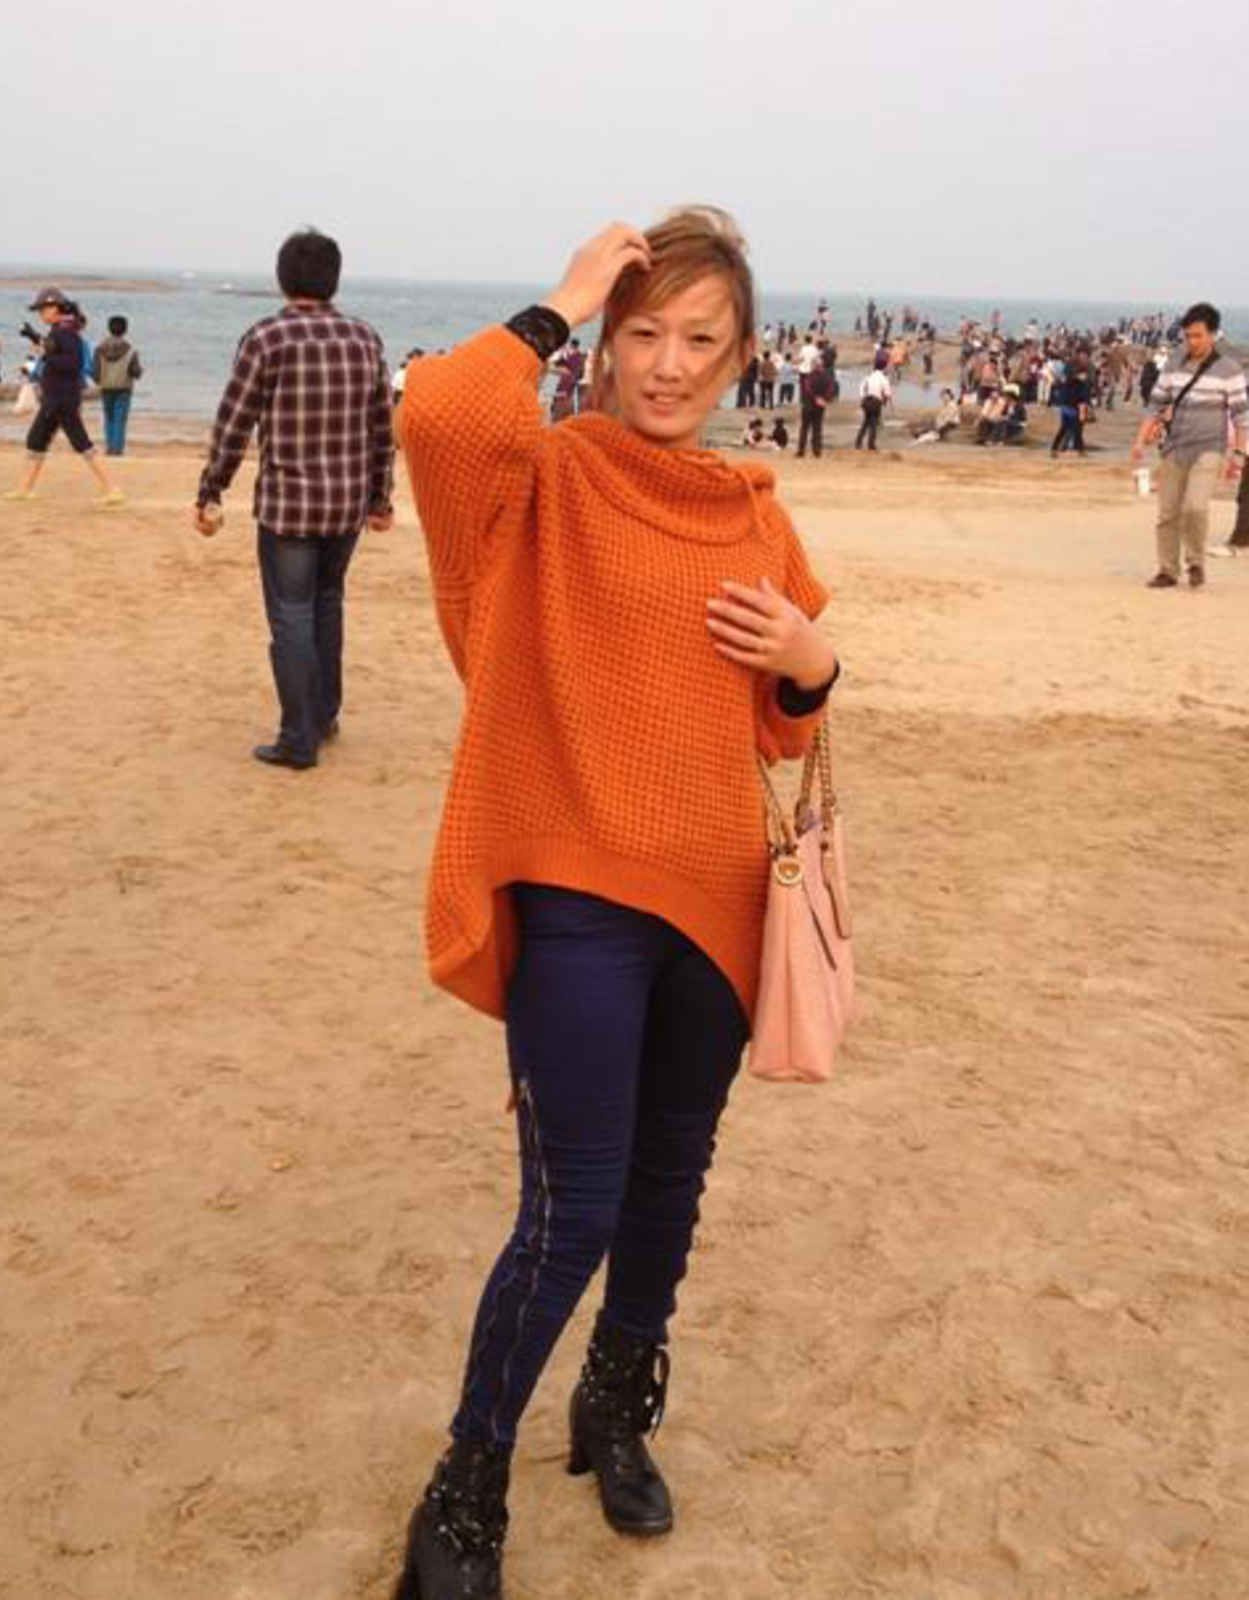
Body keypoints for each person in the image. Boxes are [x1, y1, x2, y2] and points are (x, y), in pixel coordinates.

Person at [393, 209, 838, 1600]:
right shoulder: (541, 483)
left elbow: (777, 732)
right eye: (641, 332)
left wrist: (811, 663)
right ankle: (468, 1478)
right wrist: (565, 295)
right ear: (604, 340)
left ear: (742, 357)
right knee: (568, 1209)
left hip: (717, 908)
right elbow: (436, 415)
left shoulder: (754, 512)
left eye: (701, 339)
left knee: (666, 1186)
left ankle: (614, 1403)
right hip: (578, 898)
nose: (668, 364)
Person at [191, 228, 395, 767]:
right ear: (334, 279)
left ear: (283, 279)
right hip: (346, 504)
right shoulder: (365, 339)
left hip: (288, 505)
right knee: (327, 604)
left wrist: (212, 488)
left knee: (292, 615)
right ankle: (322, 717)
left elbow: (234, 424)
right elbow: (382, 427)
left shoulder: (266, 338)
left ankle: (298, 738)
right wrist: (380, 498)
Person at [1132, 302, 1248, 589]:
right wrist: (1140, 440)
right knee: (1168, 513)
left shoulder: (1229, 370)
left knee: (1195, 507)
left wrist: (1238, 455)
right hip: (1175, 447)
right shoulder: (1174, 364)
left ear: (1213, 334)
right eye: (1187, 336)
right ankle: (1168, 570)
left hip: (1210, 448)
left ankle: (1195, 562)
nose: (1192, 342)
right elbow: (1155, 405)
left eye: (1198, 335)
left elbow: (1241, 417)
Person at [2, 289, 124, 506]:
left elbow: (71, 364)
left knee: (82, 444)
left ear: (55, 308)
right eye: (39, 310)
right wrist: (35, 349)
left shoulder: (66, 332)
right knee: (35, 441)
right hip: (53, 399)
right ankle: (25, 489)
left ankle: (112, 489)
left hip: (63, 400)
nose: (40, 314)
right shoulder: (58, 331)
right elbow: (49, 354)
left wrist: (46, 351)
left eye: (43, 309)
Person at [92, 315, 143, 455]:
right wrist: (139, 372)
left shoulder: (99, 349)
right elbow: (135, 372)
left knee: (108, 418)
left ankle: (110, 447)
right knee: (119, 420)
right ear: (125, 330)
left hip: (106, 387)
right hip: (124, 388)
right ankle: (117, 449)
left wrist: (99, 381)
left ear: (109, 329)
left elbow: (95, 371)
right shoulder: (130, 350)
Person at [796, 353, 835, 458]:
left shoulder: (809, 377)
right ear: (821, 366)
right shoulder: (827, 377)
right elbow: (831, 390)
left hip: (808, 405)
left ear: (814, 366)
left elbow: (807, 389)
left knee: (804, 428)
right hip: (819, 405)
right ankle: (816, 451)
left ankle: (801, 451)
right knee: (817, 428)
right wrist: (823, 399)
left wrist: (816, 398)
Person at [855, 362, 892, 450]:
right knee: (873, 424)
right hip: (875, 402)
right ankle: (871, 444)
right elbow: (887, 393)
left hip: (866, 401)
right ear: (883, 368)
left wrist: (863, 398)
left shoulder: (868, 376)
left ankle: (858, 443)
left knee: (866, 422)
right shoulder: (883, 378)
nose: (887, 369)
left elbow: (861, 388)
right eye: (886, 368)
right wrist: (885, 402)